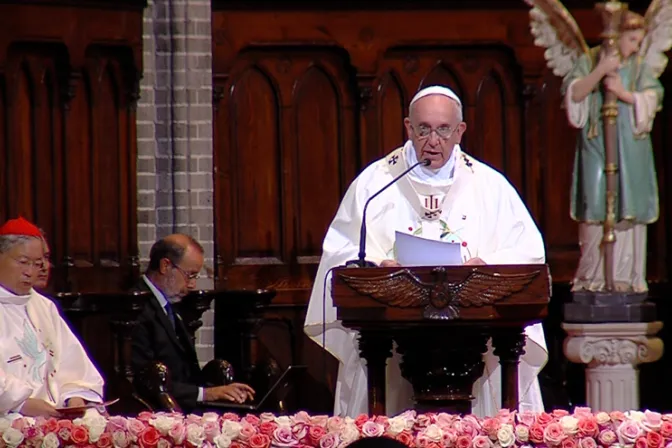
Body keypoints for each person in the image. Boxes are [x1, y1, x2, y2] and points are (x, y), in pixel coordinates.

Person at [303, 85, 548, 417]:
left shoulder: (490, 187)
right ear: (408, 127)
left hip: (477, 338)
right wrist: (377, 265)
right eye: (424, 129)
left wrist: (485, 266)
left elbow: (528, 253)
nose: (433, 140)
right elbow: (340, 250)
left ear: (460, 131)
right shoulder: (375, 184)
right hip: (387, 339)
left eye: (443, 129)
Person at [563, 11, 664, 293]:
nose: (635, 47)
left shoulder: (639, 66)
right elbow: (573, 96)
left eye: (639, 41)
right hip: (597, 146)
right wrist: (600, 71)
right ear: (616, 36)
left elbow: (653, 97)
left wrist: (623, 93)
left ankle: (625, 277)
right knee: (595, 205)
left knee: (628, 208)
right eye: (631, 40)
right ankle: (594, 278)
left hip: (631, 152)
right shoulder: (590, 59)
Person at [131, 234, 255, 412]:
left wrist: (222, 390)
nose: (192, 285)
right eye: (190, 275)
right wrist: (205, 393)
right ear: (165, 265)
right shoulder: (136, 308)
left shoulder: (170, 304)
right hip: (158, 413)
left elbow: (186, 370)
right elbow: (145, 379)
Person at [0, 217, 104, 416]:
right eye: (23, 262)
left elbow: (71, 364)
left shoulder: (44, 307)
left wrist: (73, 396)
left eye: (37, 264)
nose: (30, 272)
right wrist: (21, 404)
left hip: (54, 418)